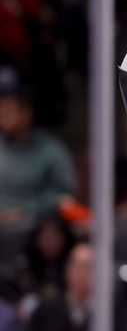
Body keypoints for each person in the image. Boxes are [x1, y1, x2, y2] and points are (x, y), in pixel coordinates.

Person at [0, 78, 76, 225]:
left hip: (32, 230)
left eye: (8, 108)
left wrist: (25, 212)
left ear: (26, 113)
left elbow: (65, 198)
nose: (2, 114)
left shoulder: (50, 151)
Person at [20, 241, 92, 331]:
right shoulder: (45, 311)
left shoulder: (110, 315)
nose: (81, 273)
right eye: (77, 266)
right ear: (67, 270)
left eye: (88, 267)